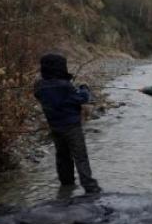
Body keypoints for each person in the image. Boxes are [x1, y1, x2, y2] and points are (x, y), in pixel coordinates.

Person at [33, 54, 101, 194]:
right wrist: (84, 87)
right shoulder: (65, 86)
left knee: (62, 156)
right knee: (80, 157)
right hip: (72, 127)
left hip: (55, 127)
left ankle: (66, 187)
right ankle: (90, 188)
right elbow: (83, 98)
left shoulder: (39, 86)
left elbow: (44, 95)